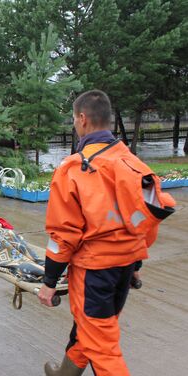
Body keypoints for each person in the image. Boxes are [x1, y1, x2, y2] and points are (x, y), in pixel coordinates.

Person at [37, 90, 176, 376]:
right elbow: (145, 221)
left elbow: (63, 234)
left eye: (74, 119)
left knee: (104, 350)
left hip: (94, 272)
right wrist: (135, 263)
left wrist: (49, 280)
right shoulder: (133, 163)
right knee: (94, 331)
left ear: (83, 119)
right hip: (123, 269)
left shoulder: (74, 169)